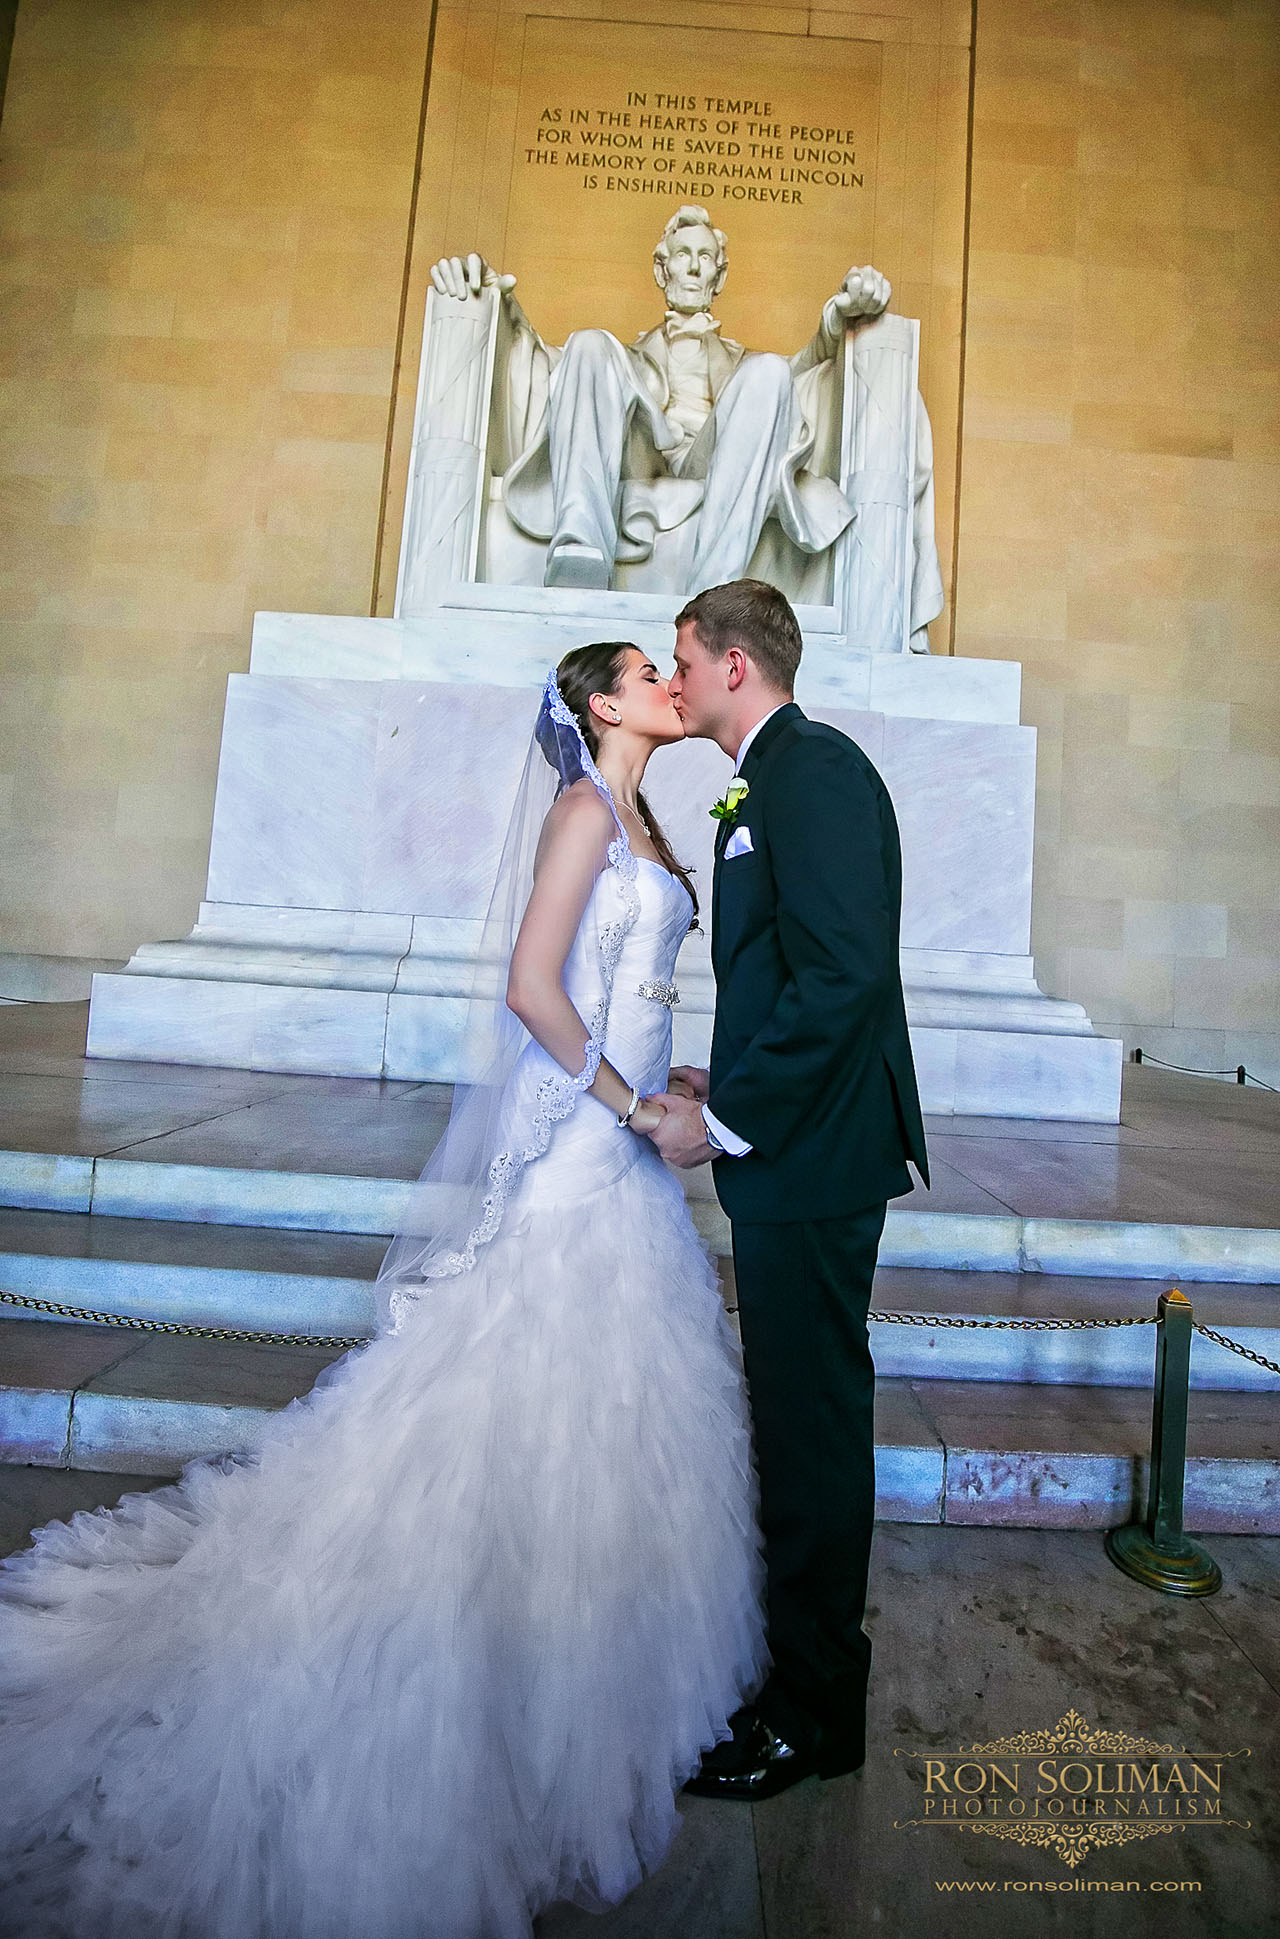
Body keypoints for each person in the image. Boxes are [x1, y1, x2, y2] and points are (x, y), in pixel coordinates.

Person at [0, 644, 768, 1939]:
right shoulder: (587, 809)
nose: (668, 680)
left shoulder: (649, 816)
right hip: (583, 1136)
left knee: (609, 1400)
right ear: (601, 703)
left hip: (631, 1136)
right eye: (647, 670)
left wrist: (672, 1076)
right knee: (520, 1369)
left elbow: (622, 985)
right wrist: (633, 1101)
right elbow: (532, 985)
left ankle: (583, 1663)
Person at [645, 577, 929, 1801]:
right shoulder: (766, 776)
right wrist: (732, 1066)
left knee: (811, 1436)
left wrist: (725, 1117)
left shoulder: (807, 771)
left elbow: (848, 977)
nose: (674, 681)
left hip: (809, 1159)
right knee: (796, 1425)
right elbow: (794, 972)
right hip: (795, 1139)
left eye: (683, 661)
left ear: (734, 667)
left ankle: (813, 1715)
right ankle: (797, 1681)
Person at [429, 205, 944, 643]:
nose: (694, 268)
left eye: (705, 259)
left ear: (718, 277)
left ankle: (714, 590)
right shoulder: (620, 359)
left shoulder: (743, 366)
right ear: (662, 271)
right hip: (640, 440)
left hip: (713, 456)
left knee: (768, 371)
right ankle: (580, 545)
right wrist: (499, 304)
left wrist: (837, 319)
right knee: (587, 342)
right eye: (683, 256)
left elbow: (802, 378)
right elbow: (541, 366)